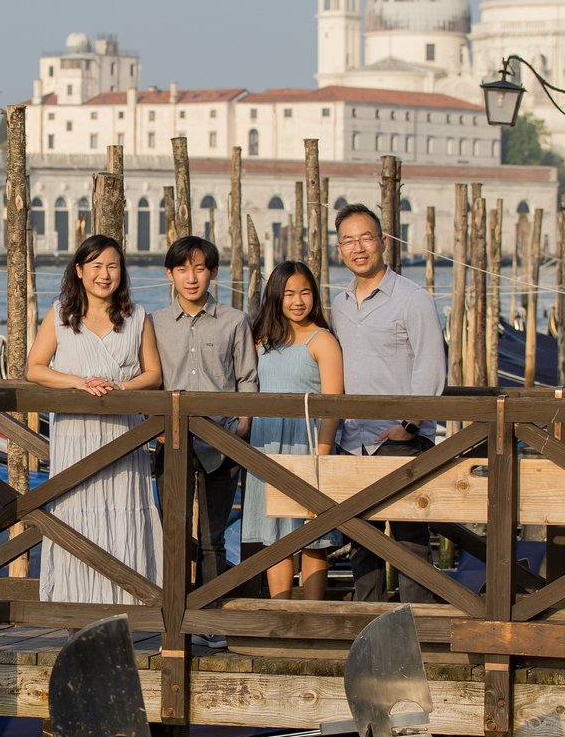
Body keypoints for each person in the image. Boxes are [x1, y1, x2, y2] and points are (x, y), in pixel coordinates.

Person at [27, 234, 164, 605]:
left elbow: (153, 374)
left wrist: (122, 388)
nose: (105, 275)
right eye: (97, 266)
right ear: (79, 270)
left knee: (123, 512)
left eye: (113, 266)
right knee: (75, 512)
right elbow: (35, 368)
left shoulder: (137, 317)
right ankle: (74, 608)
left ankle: (128, 603)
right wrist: (79, 382)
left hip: (123, 432)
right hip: (75, 432)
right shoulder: (60, 315)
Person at [330, 204, 447, 603]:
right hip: (353, 440)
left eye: (365, 238)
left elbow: (431, 366)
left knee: (410, 541)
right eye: (348, 241)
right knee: (361, 541)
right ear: (339, 250)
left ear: (382, 242)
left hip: (399, 438)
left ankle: (419, 624)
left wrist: (410, 425)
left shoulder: (413, 299)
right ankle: (369, 620)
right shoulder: (340, 303)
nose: (358, 248)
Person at [151, 235, 257, 584]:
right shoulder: (155, 323)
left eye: (199, 269)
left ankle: (210, 611)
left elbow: (247, 378)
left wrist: (242, 426)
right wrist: (154, 426)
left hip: (222, 442)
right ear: (170, 274)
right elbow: (150, 380)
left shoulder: (235, 321)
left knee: (214, 539)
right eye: (182, 270)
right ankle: (175, 610)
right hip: (172, 442)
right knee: (173, 534)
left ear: (213, 272)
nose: (192, 278)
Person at [241, 261, 343, 600]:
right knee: (275, 536)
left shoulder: (322, 340)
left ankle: (312, 613)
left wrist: (322, 455)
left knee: (313, 535)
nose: (298, 301)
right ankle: (281, 611)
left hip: (307, 443)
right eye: (289, 294)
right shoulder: (261, 339)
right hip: (268, 444)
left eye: (305, 292)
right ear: (276, 296)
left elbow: (333, 404)